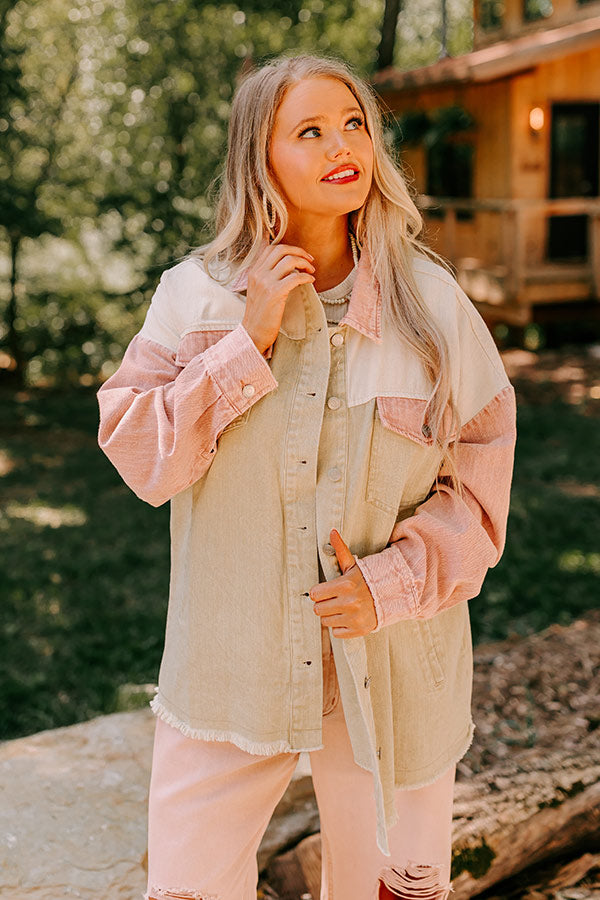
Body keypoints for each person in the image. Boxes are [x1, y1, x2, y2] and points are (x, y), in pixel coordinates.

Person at [97, 53, 517, 900]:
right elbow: (140, 454)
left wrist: (390, 584)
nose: (343, 146)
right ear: (262, 157)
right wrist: (244, 341)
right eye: (311, 130)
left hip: (394, 660)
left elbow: (479, 482)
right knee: (188, 882)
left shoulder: (431, 307)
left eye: (355, 123)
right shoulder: (195, 298)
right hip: (229, 657)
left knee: (387, 890)